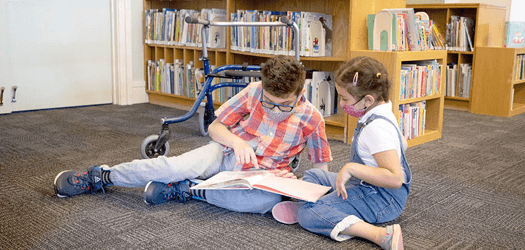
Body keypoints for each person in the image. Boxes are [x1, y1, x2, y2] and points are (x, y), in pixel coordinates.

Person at [54, 55, 332, 214]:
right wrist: (236, 142)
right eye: (268, 102)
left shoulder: (312, 118)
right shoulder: (252, 92)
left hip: (265, 176)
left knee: (266, 201)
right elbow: (215, 128)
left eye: (284, 105)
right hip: (224, 153)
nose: (273, 110)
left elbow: (321, 167)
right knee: (173, 166)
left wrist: (306, 192)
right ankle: (101, 176)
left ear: (301, 93)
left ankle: (187, 190)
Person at [271, 56, 411, 250]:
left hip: (382, 199)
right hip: (368, 186)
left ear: (367, 100)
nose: (342, 103)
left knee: (308, 215)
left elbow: (396, 179)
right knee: (314, 175)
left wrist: (352, 168)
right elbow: (402, 144)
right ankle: (327, 206)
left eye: (345, 98)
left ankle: (381, 235)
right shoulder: (382, 109)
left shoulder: (375, 128)